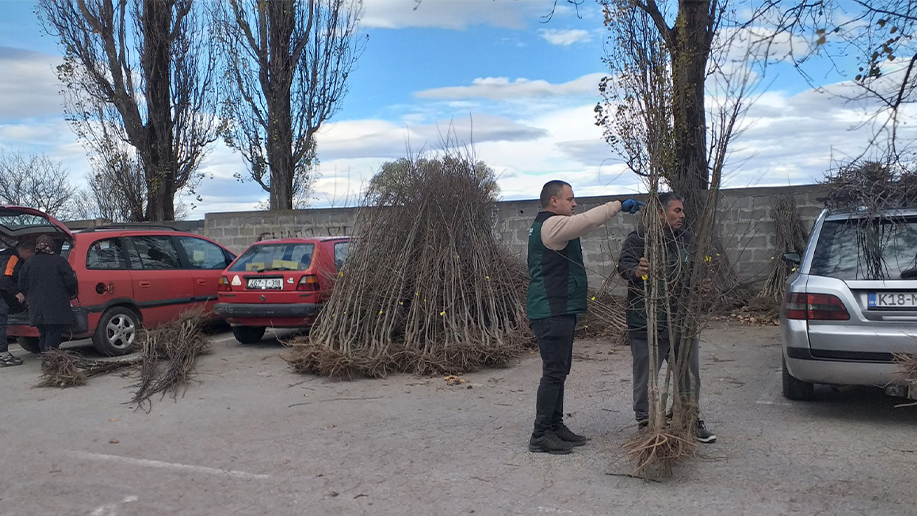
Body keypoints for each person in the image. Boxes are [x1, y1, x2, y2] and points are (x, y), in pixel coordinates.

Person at [527, 180, 644, 455]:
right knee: (553, 373)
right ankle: (541, 434)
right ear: (553, 202)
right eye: (570, 199)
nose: (574, 203)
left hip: (558, 309)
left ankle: (555, 427)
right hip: (551, 310)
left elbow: (581, 222)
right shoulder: (551, 225)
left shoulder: (549, 225)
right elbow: (587, 222)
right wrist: (616, 205)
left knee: (559, 371)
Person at [617, 192, 716, 443]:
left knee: (688, 372)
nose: (682, 215)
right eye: (677, 211)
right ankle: (645, 421)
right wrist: (637, 271)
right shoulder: (639, 239)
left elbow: (696, 270)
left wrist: (701, 286)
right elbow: (624, 267)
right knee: (646, 376)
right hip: (647, 321)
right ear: (661, 213)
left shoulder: (686, 239)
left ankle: (689, 416)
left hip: (682, 320)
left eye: (682, 211)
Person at [18, 235, 78, 353]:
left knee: (44, 333)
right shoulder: (59, 261)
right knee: (53, 333)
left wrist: (29, 296)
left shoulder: (29, 263)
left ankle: (46, 357)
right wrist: (70, 294)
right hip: (56, 306)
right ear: (51, 247)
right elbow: (70, 282)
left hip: (36, 307)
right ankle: (50, 358)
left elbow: (21, 284)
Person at [0, 241, 34, 366]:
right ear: (28, 251)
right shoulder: (13, 258)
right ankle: (3, 355)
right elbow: (4, 279)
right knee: (0, 322)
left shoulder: (3, 256)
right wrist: (17, 292)